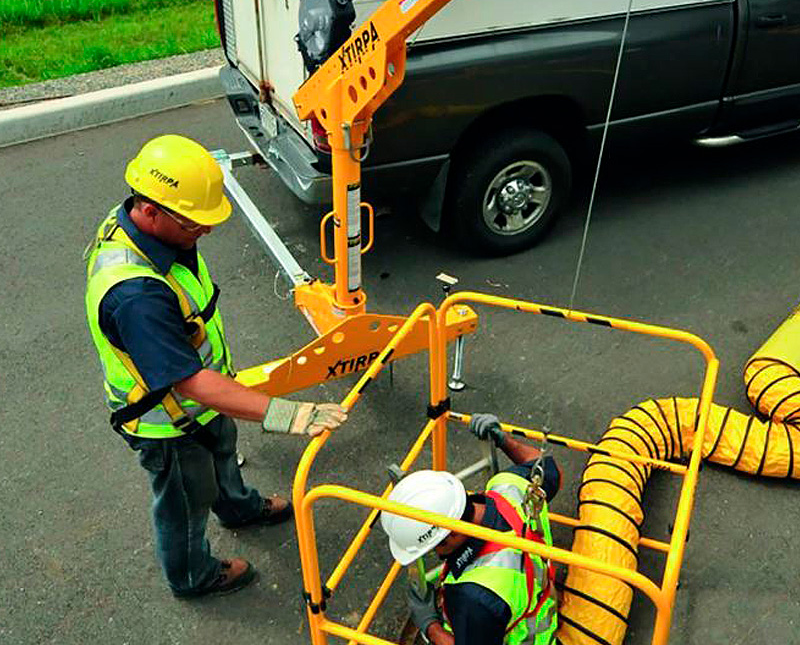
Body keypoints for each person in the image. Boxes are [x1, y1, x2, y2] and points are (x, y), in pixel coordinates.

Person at [84, 134, 347, 599]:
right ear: (150, 211)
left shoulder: (145, 226)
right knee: (185, 502)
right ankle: (192, 574)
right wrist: (288, 414)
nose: (204, 232)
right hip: (167, 422)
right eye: (193, 224)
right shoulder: (135, 295)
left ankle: (238, 507)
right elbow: (189, 383)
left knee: (222, 449)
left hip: (203, 404)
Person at [381, 414, 561, 644]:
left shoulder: (474, 595)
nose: (435, 555)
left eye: (435, 548)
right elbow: (549, 470)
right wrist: (504, 440)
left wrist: (430, 624)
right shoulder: (510, 487)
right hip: (538, 608)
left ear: (453, 532)